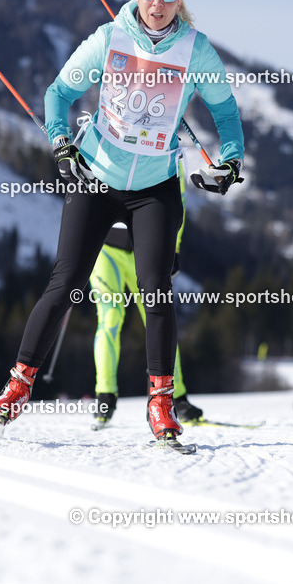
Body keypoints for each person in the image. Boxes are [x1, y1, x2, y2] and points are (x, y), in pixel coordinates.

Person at [0, 0, 244, 442]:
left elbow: (226, 113)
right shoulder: (109, 38)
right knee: (65, 281)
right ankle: (19, 384)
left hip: (154, 187)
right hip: (97, 178)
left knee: (156, 289)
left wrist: (230, 160)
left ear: (179, 0)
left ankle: (160, 404)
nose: (157, 3)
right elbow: (58, 93)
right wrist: (62, 145)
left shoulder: (196, 50)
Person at [90, 157, 204, 428]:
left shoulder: (168, 150)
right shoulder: (111, 136)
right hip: (106, 251)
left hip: (144, 249)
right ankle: (104, 395)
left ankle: (176, 397)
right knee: (110, 319)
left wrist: (174, 248)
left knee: (160, 319)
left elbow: (180, 203)